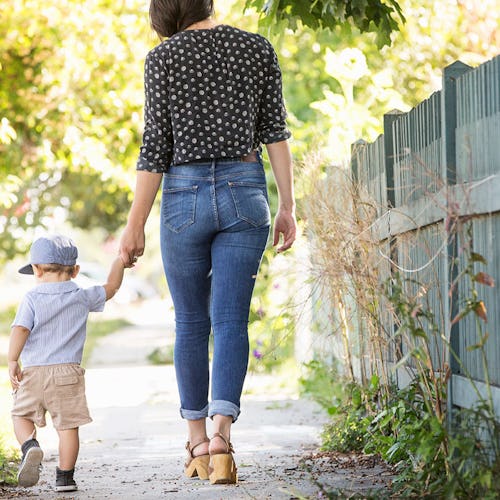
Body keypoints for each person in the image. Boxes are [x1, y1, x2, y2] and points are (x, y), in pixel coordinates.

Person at [119, 0, 297, 485]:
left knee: (191, 322)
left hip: (183, 196)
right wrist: (287, 205)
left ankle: (196, 443)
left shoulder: (163, 58)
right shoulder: (257, 48)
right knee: (231, 319)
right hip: (246, 190)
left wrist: (133, 225)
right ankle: (222, 438)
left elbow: (155, 146)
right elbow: (275, 132)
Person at [8, 234, 125, 492]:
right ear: (75, 270)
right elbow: (112, 287)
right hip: (68, 374)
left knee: (20, 415)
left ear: (36, 270)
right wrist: (120, 260)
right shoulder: (82, 296)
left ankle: (30, 446)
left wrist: (13, 359)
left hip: (34, 372)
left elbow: (20, 330)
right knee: (68, 428)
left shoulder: (32, 298)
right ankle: (65, 478)